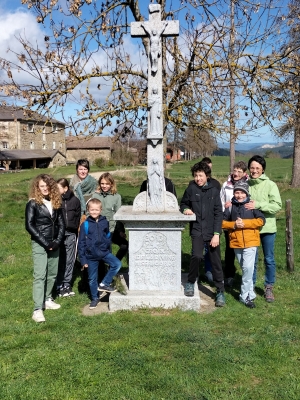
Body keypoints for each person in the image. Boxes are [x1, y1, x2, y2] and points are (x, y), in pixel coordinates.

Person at [180, 161, 225, 307]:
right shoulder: (191, 188)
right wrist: (186, 209)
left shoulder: (214, 189)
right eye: (196, 175)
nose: (198, 178)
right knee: (197, 256)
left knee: (215, 260)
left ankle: (220, 291)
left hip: (212, 231)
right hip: (197, 229)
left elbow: (219, 213)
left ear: (207, 175)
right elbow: (184, 203)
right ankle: (191, 282)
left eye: (200, 175)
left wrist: (217, 234)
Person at [25, 174, 65, 323]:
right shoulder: (33, 203)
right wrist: (45, 242)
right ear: (37, 187)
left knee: (52, 273)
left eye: (47, 186)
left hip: (54, 243)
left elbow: (61, 224)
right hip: (40, 243)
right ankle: (37, 309)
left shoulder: (55, 202)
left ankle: (48, 299)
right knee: (40, 275)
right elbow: (29, 225)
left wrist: (57, 241)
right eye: (42, 186)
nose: (45, 188)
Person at [244, 155, 282, 302]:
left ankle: (268, 287)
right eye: (252, 168)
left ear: (263, 170)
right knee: (251, 259)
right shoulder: (246, 184)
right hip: (251, 228)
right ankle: (250, 286)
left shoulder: (271, 185)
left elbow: (276, 206)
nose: (254, 171)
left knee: (269, 259)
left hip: (267, 228)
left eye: (257, 168)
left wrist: (258, 204)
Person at [222, 182, 265, 308]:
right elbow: (222, 223)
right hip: (236, 243)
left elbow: (261, 220)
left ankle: (244, 296)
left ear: (246, 193)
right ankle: (251, 293)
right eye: (237, 192)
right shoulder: (230, 206)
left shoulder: (251, 205)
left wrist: (245, 223)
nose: (239, 195)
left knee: (247, 269)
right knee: (246, 269)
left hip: (251, 243)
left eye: (242, 192)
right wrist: (234, 225)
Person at [78, 198, 122, 309]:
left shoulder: (104, 222)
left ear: (100, 210)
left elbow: (107, 236)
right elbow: (81, 243)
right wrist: (83, 260)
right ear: (88, 210)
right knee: (92, 278)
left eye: (96, 210)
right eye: (92, 210)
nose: (94, 212)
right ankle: (95, 298)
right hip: (91, 256)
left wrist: (108, 249)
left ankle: (104, 284)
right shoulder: (85, 225)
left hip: (104, 252)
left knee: (117, 264)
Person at [220, 160, 248, 287]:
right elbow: (221, 200)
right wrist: (224, 209)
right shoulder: (226, 184)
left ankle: (246, 277)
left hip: (244, 221)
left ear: (244, 173)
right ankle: (229, 275)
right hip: (229, 221)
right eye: (234, 170)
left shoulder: (248, 184)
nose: (236, 173)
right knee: (230, 249)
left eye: (239, 171)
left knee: (245, 250)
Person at [91, 173, 128, 261]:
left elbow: (118, 215)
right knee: (104, 251)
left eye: (107, 184)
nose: (104, 186)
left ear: (111, 184)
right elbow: (91, 212)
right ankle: (105, 271)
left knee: (125, 246)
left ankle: (114, 265)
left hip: (112, 228)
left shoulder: (116, 197)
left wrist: (120, 231)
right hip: (99, 229)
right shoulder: (95, 195)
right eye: (102, 183)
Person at [56, 178, 81, 297]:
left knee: (70, 260)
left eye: (58, 188)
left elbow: (77, 216)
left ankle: (67, 283)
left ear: (65, 188)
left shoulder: (75, 201)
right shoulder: (56, 200)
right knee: (61, 259)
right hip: (60, 234)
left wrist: (74, 227)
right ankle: (59, 284)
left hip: (71, 233)